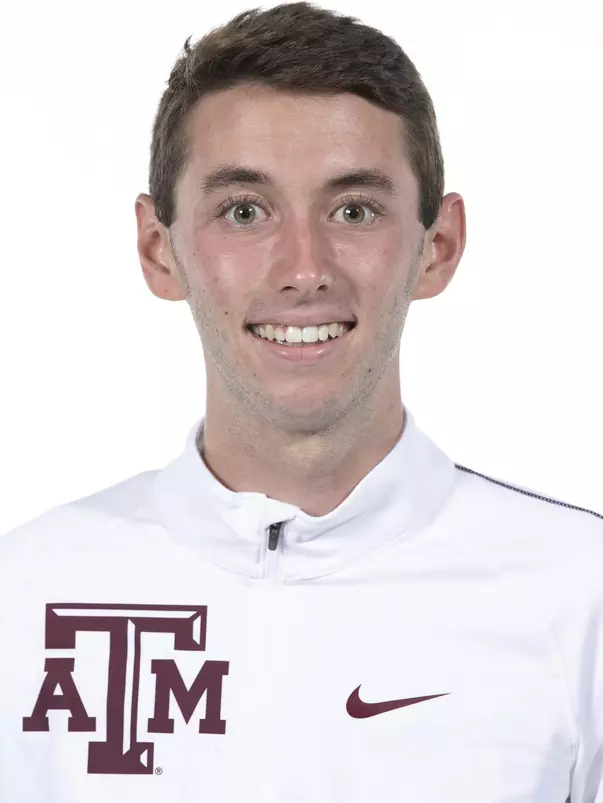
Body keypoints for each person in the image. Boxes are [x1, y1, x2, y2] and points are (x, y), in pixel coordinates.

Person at [0, 2, 601, 801]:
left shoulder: (579, 596)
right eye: (243, 211)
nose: (303, 267)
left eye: (353, 209)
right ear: (159, 249)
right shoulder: (23, 597)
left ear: (437, 245)